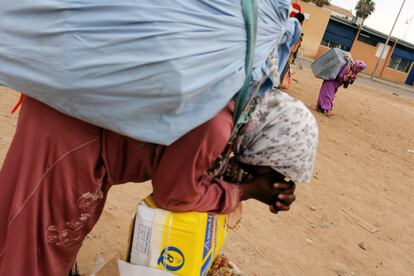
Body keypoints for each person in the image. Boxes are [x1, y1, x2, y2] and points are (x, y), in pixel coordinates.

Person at [0, 89, 318, 275]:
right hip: (70, 138)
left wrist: (252, 187)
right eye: (275, 170)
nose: (273, 179)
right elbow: (175, 193)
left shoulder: (235, 103)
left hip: (71, 121)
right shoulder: (215, 127)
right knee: (38, 242)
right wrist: (247, 191)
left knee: (34, 224)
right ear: (266, 146)